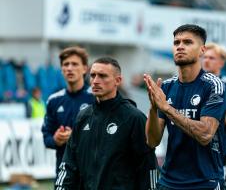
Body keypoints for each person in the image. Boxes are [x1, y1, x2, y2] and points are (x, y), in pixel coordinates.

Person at [144, 24, 226, 189]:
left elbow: (205, 134)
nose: (180, 46)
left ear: (202, 50)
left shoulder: (213, 85)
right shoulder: (166, 87)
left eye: (188, 42)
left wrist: (167, 108)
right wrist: (153, 109)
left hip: (205, 181)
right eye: (176, 43)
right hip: (169, 181)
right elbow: (152, 141)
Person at [55, 57, 158, 190]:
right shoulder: (83, 117)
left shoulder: (134, 118)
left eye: (102, 76)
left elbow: (148, 167)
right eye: (93, 75)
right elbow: (69, 164)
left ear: (118, 81)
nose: (96, 81)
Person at [41, 46, 95, 176]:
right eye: (66, 64)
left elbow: (105, 136)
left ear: (84, 69)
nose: (69, 68)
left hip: (91, 172)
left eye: (75, 64)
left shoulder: (96, 97)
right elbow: (46, 136)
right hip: (64, 172)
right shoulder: (54, 100)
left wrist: (75, 137)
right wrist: (55, 139)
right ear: (61, 70)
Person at [202, 43, 226, 190]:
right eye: (204, 57)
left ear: (221, 62)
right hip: (201, 150)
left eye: (211, 57)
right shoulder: (197, 83)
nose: (206, 60)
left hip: (223, 149)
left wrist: (208, 111)